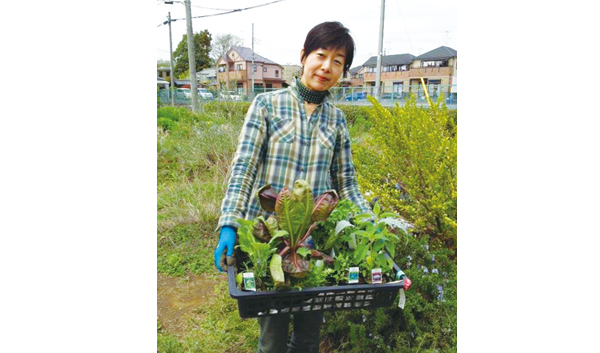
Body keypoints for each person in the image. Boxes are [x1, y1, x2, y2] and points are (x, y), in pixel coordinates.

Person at [213, 21, 375, 353]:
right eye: (321, 55)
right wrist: (229, 223)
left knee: (308, 334)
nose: (326, 67)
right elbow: (243, 168)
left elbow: (347, 183)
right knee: (271, 336)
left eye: (338, 61)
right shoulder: (267, 105)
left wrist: (370, 223)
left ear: (343, 71)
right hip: (270, 239)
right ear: (303, 56)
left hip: (313, 245)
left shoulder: (337, 120)